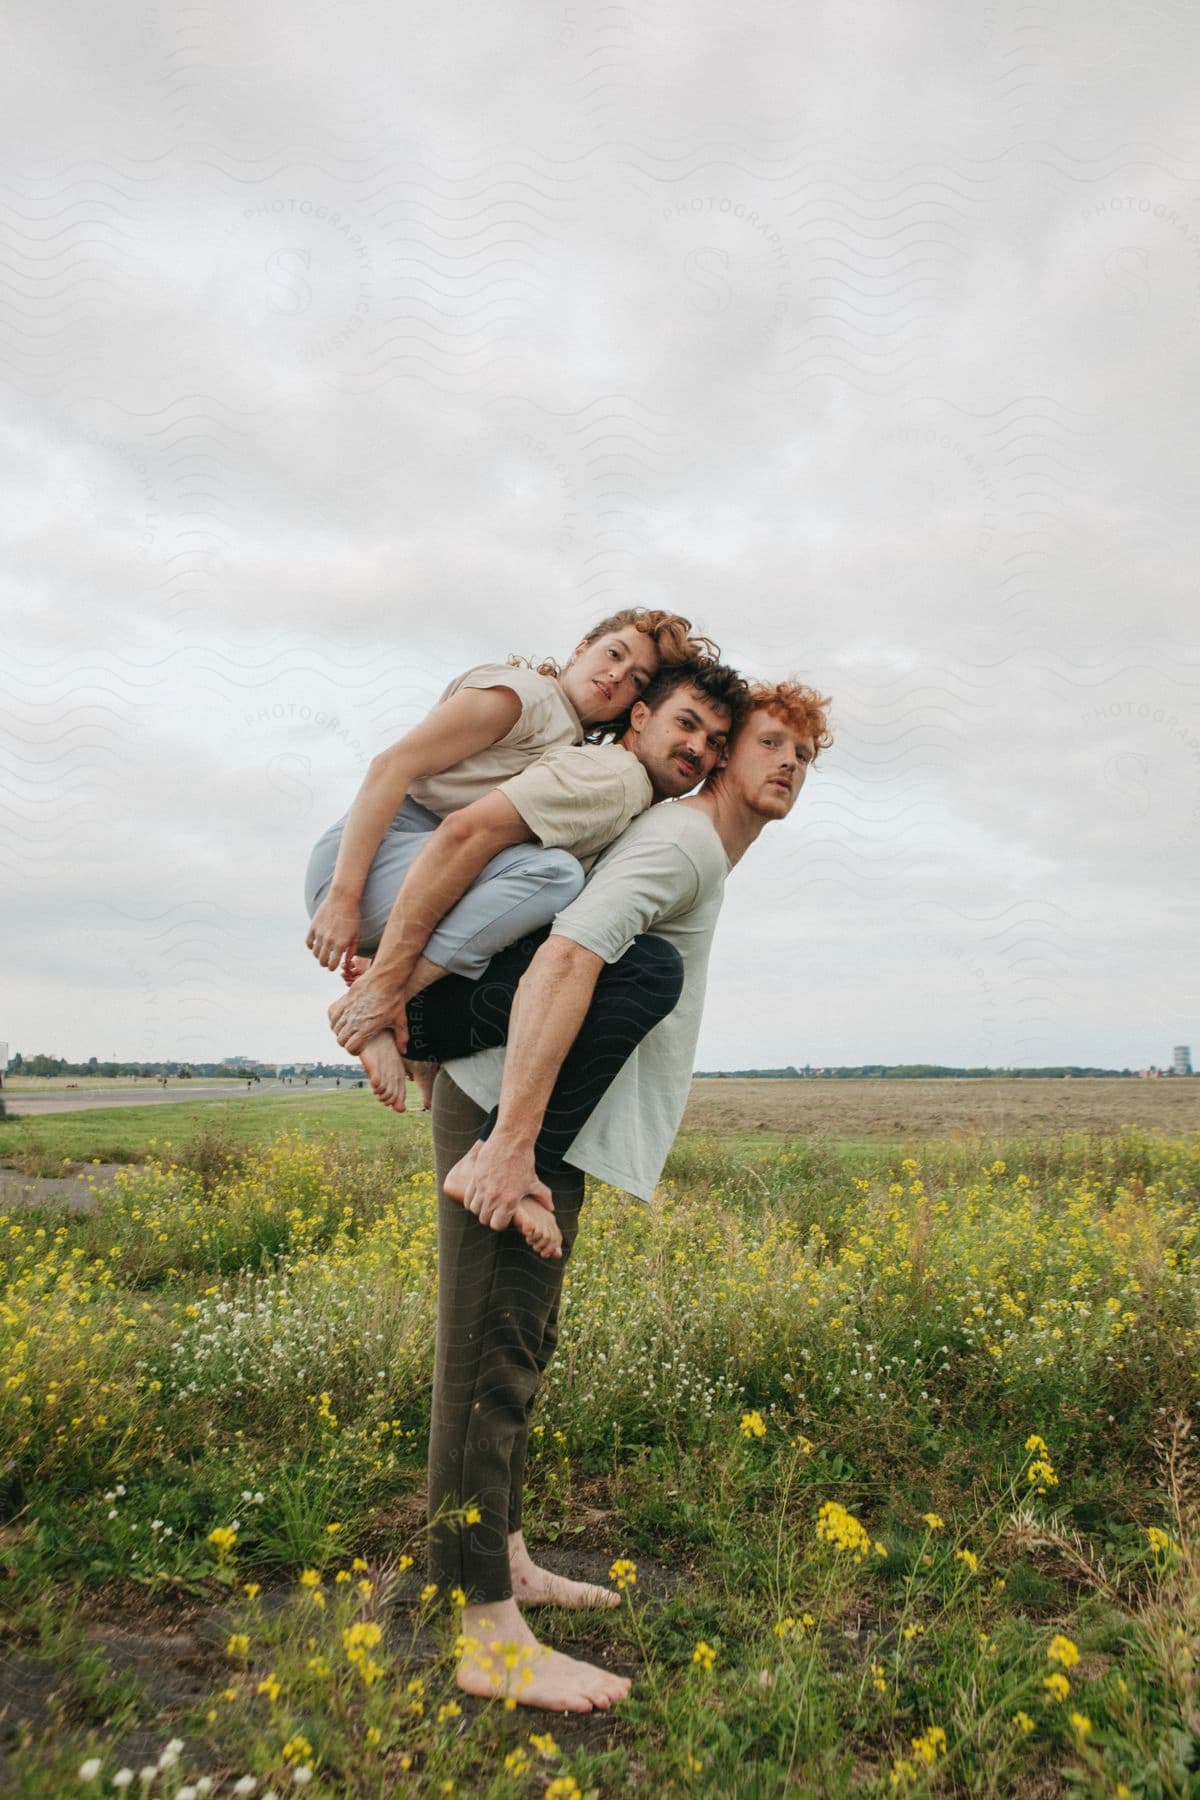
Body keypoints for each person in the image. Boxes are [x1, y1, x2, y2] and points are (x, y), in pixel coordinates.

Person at [419, 680, 833, 1713]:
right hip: (509, 1128)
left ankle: (501, 1557)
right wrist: (512, 1149)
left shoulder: (701, 851)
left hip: (542, 1128)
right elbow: (568, 952)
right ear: (728, 752)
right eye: (769, 742)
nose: (786, 764)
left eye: (803, 754)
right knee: (481, 1359)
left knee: (517, 1346)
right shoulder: (685, 842)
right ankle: (487, 1636)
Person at [329, 660, 747, 1253]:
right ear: (640, 715)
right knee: (639, 961)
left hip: (431, 941)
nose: (698, 748)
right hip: (399, 894)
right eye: (687, 723)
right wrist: (385, 989)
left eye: (715, 742)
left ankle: (406, 1031)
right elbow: (464, 835)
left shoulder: (638, 803)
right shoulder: (615, 778)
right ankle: (397, 1024)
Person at [305, 608, 713, 1105]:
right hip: (371, 854)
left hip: (413, 864)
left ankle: (412, 1032)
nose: (616, 676)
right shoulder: (525, 697)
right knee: (553, 875)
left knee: (542, 889)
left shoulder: (572, 741)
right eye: (613, 653)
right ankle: (380, 1003)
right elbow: (393, 764)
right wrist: (344, 897)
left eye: (636, 679)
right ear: (582, 648)